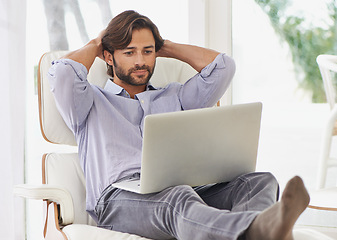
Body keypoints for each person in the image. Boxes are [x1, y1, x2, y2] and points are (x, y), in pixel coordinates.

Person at [48, 10, 310, 240]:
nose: (140, 60)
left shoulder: (175, 96)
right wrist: (97, 42)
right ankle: (255, 228)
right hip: (118, 201)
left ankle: (256, 231)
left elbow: (223, 67)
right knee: (177, 198)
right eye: (129, 52)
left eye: (147, 51)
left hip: (184, 190)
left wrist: (166, 46)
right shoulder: (88, 101)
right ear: (108, 56)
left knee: (258, 182)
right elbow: (62, 72)